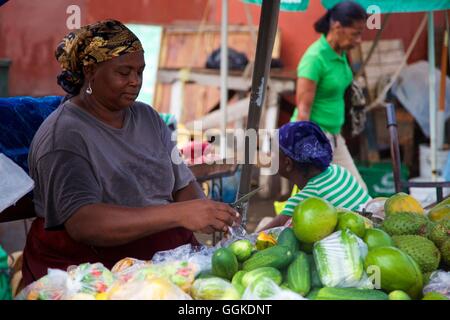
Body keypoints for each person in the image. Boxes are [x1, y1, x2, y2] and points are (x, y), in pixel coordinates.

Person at [21, 20, 238, 286]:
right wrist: (180, 214)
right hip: (88, 272)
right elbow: (83, 223)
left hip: (162, 258)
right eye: (124, 72)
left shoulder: (147, 117)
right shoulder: (64, 137)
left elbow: (182, 184)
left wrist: (205, 211)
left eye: (140, 71)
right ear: (90, 71)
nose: (135, 81)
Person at [293, 0, 368, 190]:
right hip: (314, 138)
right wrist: (306, 154)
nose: (359, 40)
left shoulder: (341, 53)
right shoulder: (314, 59)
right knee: (313, 199)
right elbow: (303, 111)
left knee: (358, 192)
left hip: (334, 137)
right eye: (355, 34)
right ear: (337, 27)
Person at [259, 121, 372, 231]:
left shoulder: (304, 201)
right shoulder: (339, 171)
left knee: (265, 223)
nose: (270, 157)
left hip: (353, 242)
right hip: (372, 228)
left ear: (287, 163)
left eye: (273, 153)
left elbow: (263, 234)